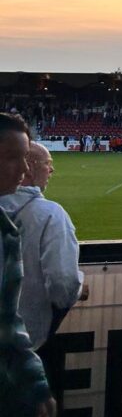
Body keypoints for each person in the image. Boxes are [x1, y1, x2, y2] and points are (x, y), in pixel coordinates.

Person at [0, 114, 57, 417]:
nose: (24, 169)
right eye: (12, 157)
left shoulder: (7, 230)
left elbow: (7, 320)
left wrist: (36, 382)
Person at [0, 142, 86, 352]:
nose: (52, 169)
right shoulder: (50, 215)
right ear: (29, 167)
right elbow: (63, 284)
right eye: (48, 163)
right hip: (23, 342)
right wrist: (79, 290)